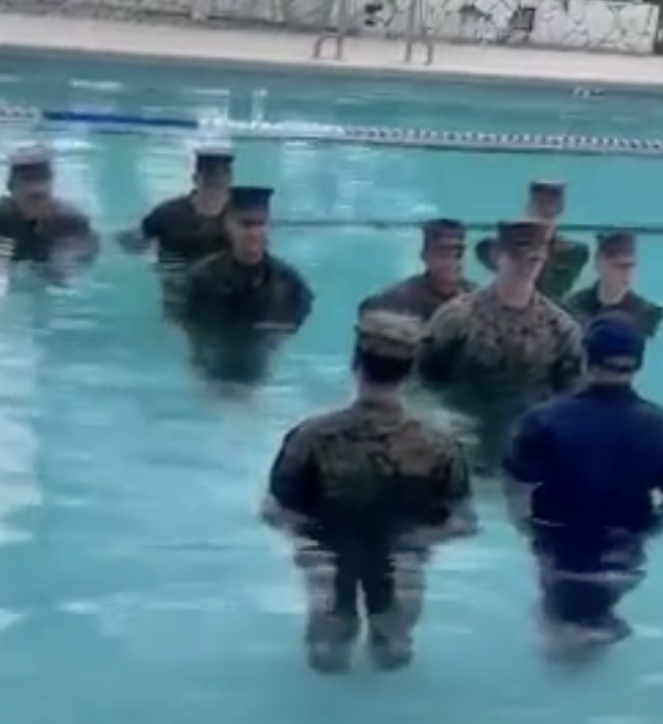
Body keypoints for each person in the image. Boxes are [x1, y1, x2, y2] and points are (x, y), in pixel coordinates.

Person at [262, 310, 476, 673]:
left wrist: (311, 536)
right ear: (410, 373)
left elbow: (275, 510)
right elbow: (461, 522)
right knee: (393, 651)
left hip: (328, 559)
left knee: (327, 655)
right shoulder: (439, 445)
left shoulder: (312, 437)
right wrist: (412, 538)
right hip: (403, 561)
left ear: (356, 364)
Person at [501, 313, 663, 651]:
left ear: (584, 358)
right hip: (624, 553)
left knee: (558, 627)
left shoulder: (541, 422)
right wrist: (652, 530)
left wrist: (528, 530)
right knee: (596, 622)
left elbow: (517, 492)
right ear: (638, 363)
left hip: (559, 548)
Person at [418, 220, 583, 474]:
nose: (525, 267)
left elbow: (573, 399)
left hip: (529, 458)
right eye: (517, 257)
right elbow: (419, 384)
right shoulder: (455, 320)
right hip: (464, 455)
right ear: (498, 257)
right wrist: (438, 420)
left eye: (534, 260)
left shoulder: (561, 329)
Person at [177, 186, 314, 386]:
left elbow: (293, 328)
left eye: (260, 224)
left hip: (260, 359)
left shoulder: (290, 283)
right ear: (228, 225)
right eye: (245, 225)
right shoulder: (203, 277)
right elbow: (191, 328)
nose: (253, 233)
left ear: (269, 227)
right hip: (214, 359)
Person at [0, 146, 98, 303]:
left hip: (43, 270)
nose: (37, 188)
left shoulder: (70, 221)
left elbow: (79, 260)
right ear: (10, 187)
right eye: (27, 180)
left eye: (42, 179)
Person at [117, 145, 233, 267]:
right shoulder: (169, 214)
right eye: (209, 176)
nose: (215, 181)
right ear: (195, 179)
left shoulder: (242, 213)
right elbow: (135, 241)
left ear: (230, 180)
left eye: (221, 176)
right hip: (176, 275)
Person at [474, 180, 589, 300]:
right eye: (541, 201)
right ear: (531, 203)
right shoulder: (495, 246)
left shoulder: (574, 252)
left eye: (553, 200)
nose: (548, 206)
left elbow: (557, 287)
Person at [358, 218, 476, 323]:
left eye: (458, 255)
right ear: (425, 256)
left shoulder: (477, 299)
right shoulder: (394, 300)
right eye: (443, 254)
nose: (451, 261)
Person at [564, 231, 663, 338]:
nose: (627, 274)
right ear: (600, 265)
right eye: (619, 267)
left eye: (631, 267)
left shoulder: (646, 313)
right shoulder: (573, 307)